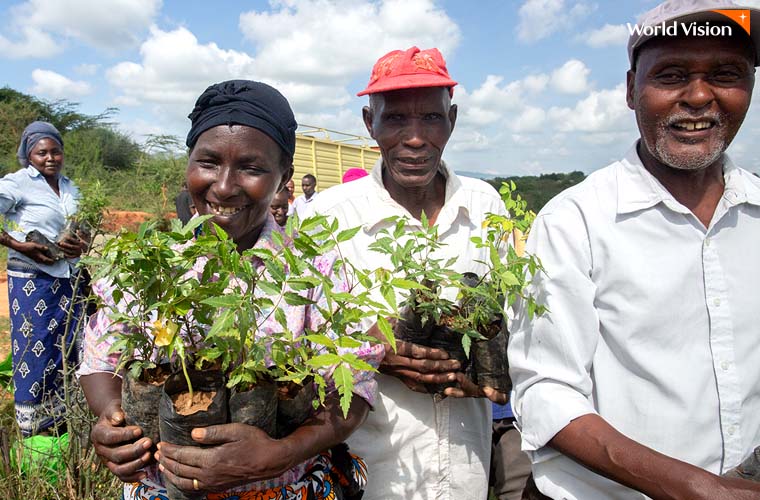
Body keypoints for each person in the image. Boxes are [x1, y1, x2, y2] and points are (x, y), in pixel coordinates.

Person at [78, 80, 383, 500]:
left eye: (251, 168)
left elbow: (357, 387)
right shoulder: (154, 263)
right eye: (207, 162)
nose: (223, 186)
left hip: (285, 487)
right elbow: (101, 356)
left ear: (283, 179)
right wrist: (112, 420)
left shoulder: (317, 269)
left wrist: (282, 453)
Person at [508, 1, 760, 499]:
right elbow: (546, 391)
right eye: (671, 75)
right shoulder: (573, 222)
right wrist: (695, 488)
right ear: (630, 90)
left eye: (726, 73)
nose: (699, 96)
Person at [308, 46, 506, 500]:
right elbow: (291, 340)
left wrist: (486, 369)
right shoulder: (327, 217)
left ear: (451, 121)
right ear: (368, 123)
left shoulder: (485, 206)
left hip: (466, 472)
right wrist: (372, 347)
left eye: (432, 119)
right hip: (368, 472)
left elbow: (506, 319)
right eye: (395, 119)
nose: (415, 138)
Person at [0, 121, 88, 438]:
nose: (50, 157)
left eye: (56, 151)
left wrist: (81, 243)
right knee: (35, 348)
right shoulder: (18, 184)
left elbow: (85, 227)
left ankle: (66, 423)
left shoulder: (69, 187)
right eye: (41, 152)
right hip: (32, 281)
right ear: (28, 154)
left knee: (68, 349)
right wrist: (18, 244)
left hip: (69, 280)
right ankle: (35, 430)